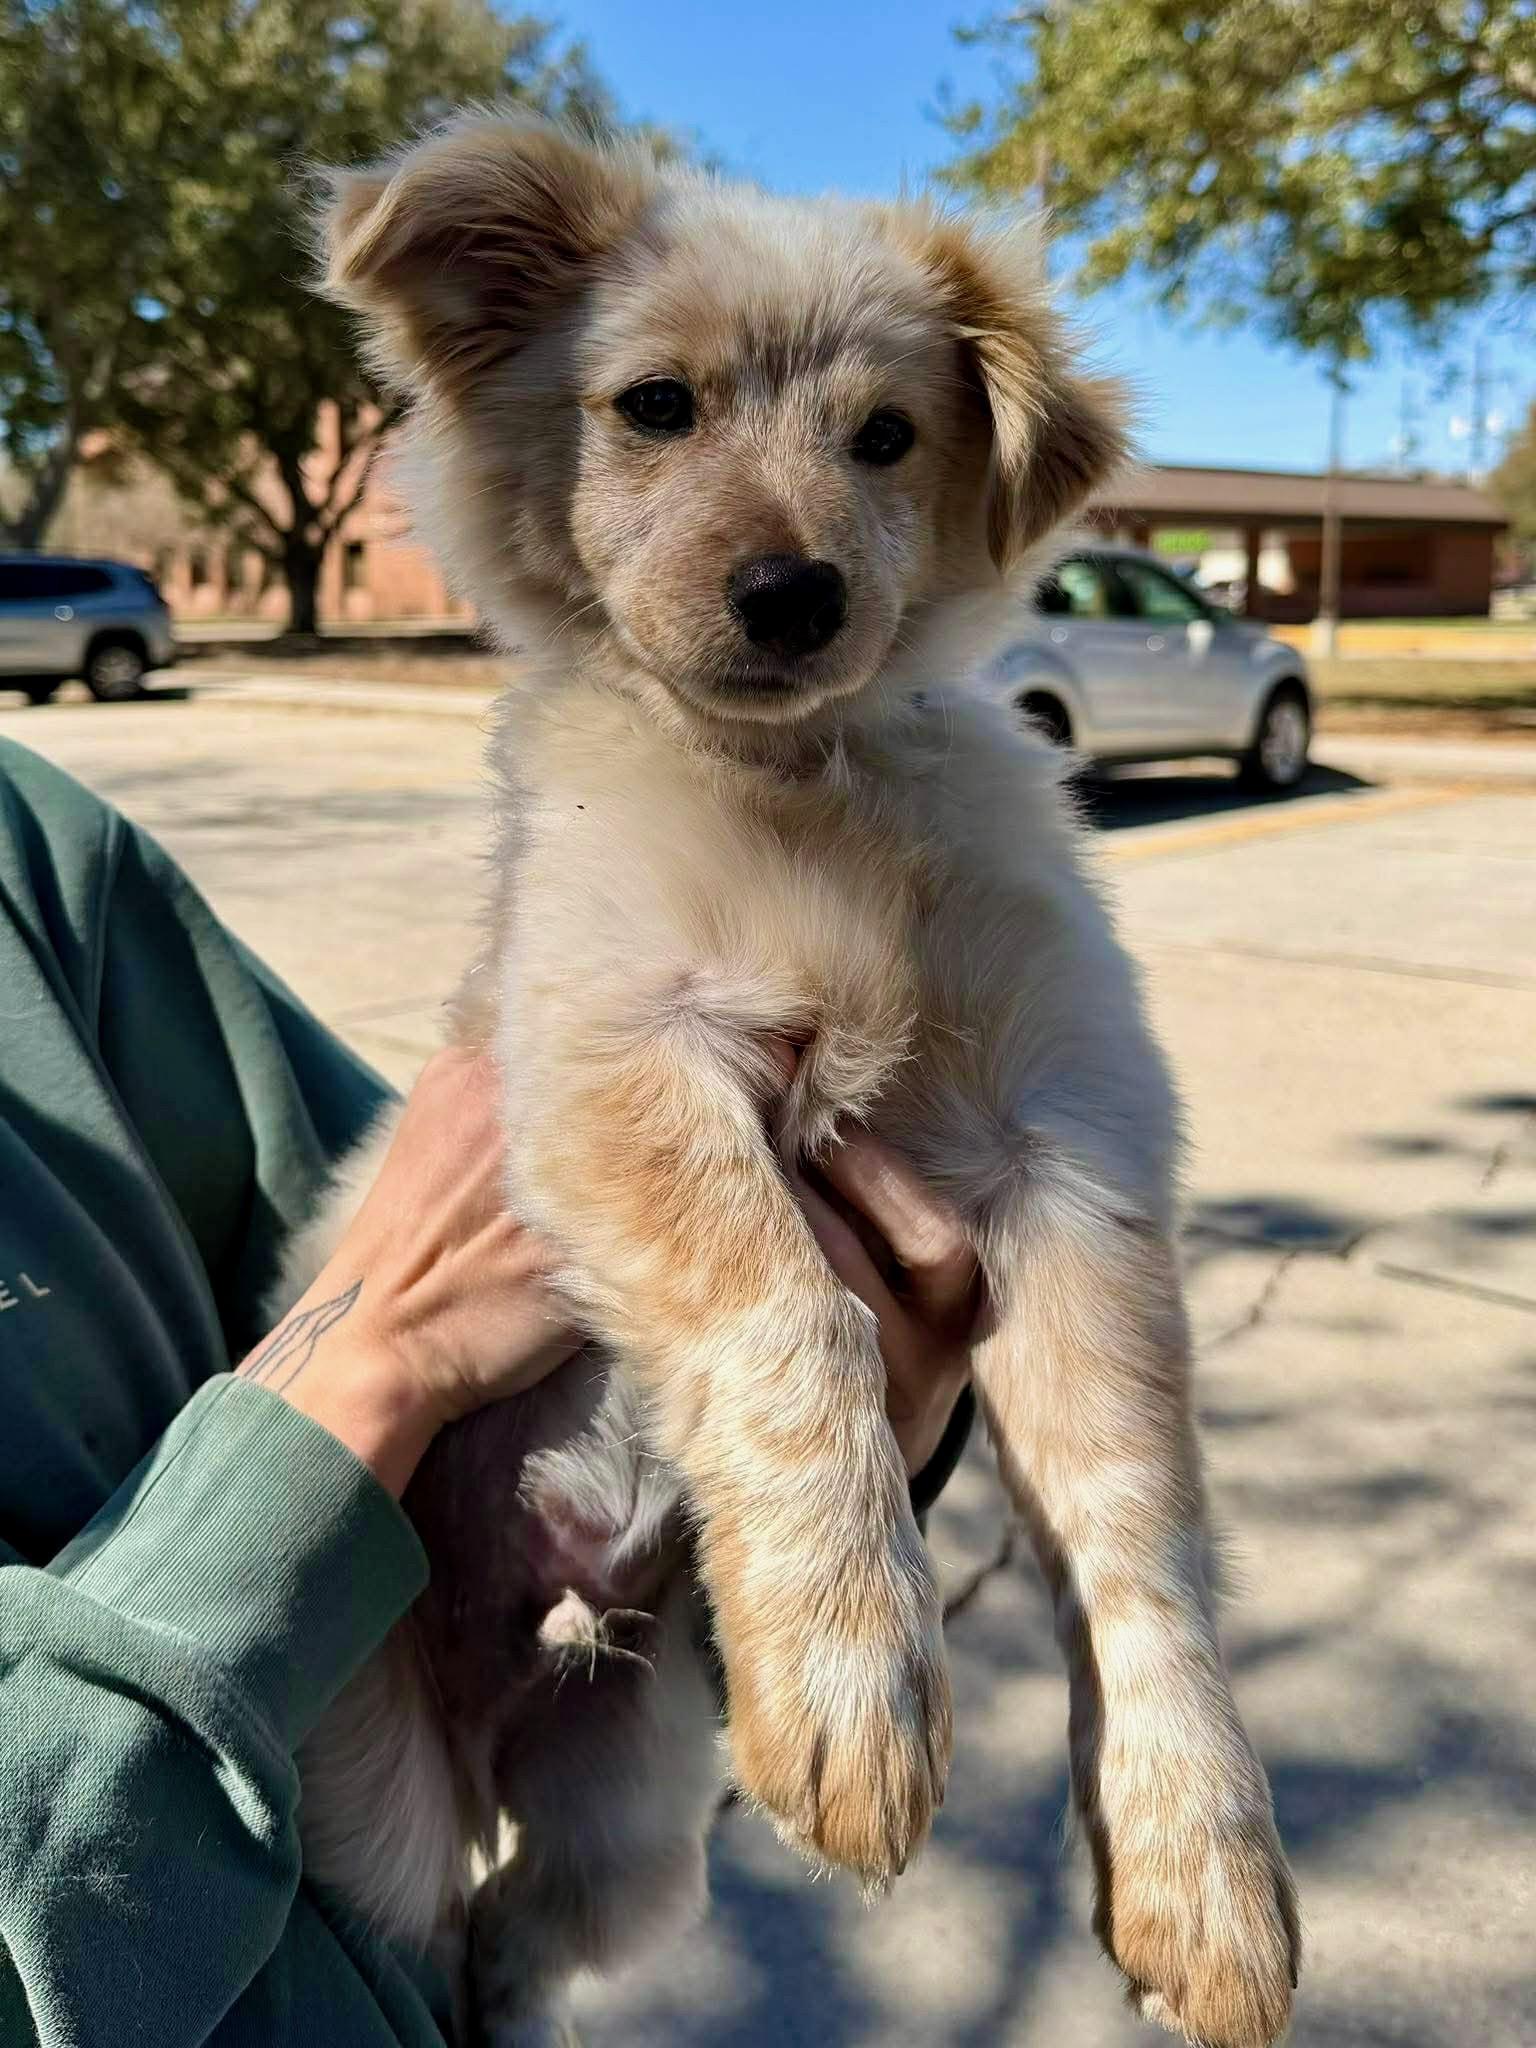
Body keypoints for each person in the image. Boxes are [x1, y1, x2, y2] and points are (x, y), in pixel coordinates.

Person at [0, 735, 977, 2047]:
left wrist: (848, 1428)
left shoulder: (24, 850)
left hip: (461, 1960)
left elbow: (437, 1188)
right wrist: (376, 1361)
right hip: (354, 1874)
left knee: (610, 1863)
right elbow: (416, 1277)